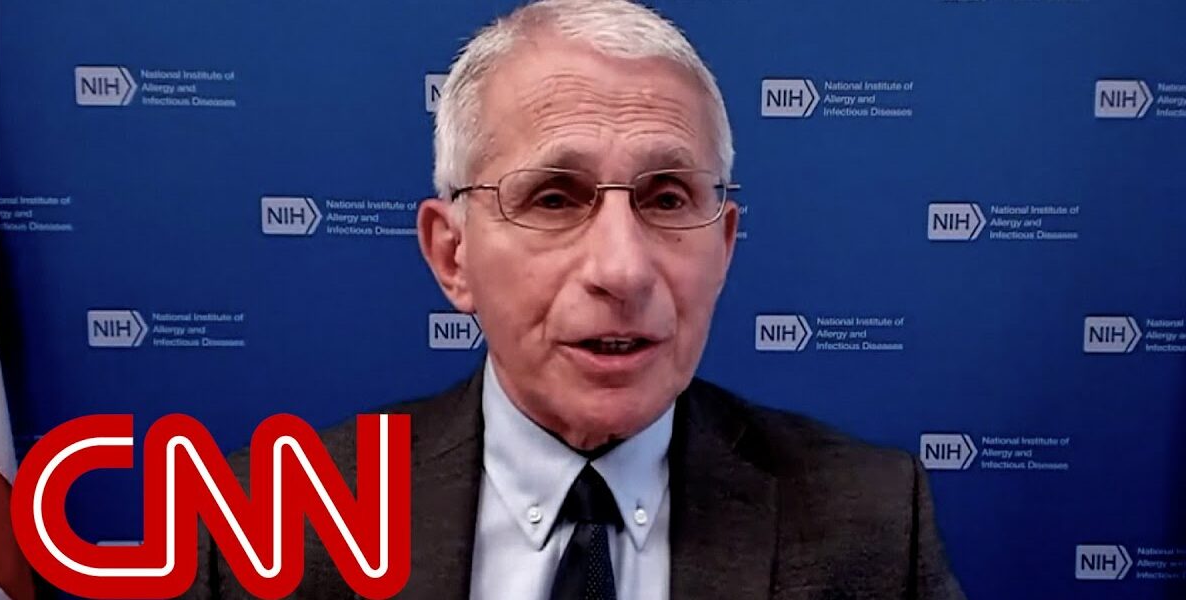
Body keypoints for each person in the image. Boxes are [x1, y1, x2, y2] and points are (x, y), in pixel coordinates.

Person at [193, 1, 966, 598]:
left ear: (725, 246)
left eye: (667, 198)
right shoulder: (272, 522)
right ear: (453, 255)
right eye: (555, 199)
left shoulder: (870, 523)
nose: (622, 270)